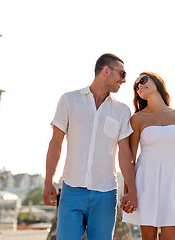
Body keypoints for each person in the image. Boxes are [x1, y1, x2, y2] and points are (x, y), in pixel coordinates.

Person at [42, 53, 138, 240]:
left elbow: (125, 153)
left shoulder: (122, 111)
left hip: (106, 193)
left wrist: (132, 192)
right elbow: (55, 144)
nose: (124, 80)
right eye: (122, 74)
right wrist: (48, 181)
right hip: (71, 189)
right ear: (106, 71)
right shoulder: (69, 100)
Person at [121, 72, 175, 240]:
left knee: (170, 237)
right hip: (145, 180)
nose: (139, 85)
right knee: (149, 237)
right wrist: (129, 192)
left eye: (143, 80)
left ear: (157, 82)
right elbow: (130, 158)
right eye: (136, 86)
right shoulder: (137, 118)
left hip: (172, 180)